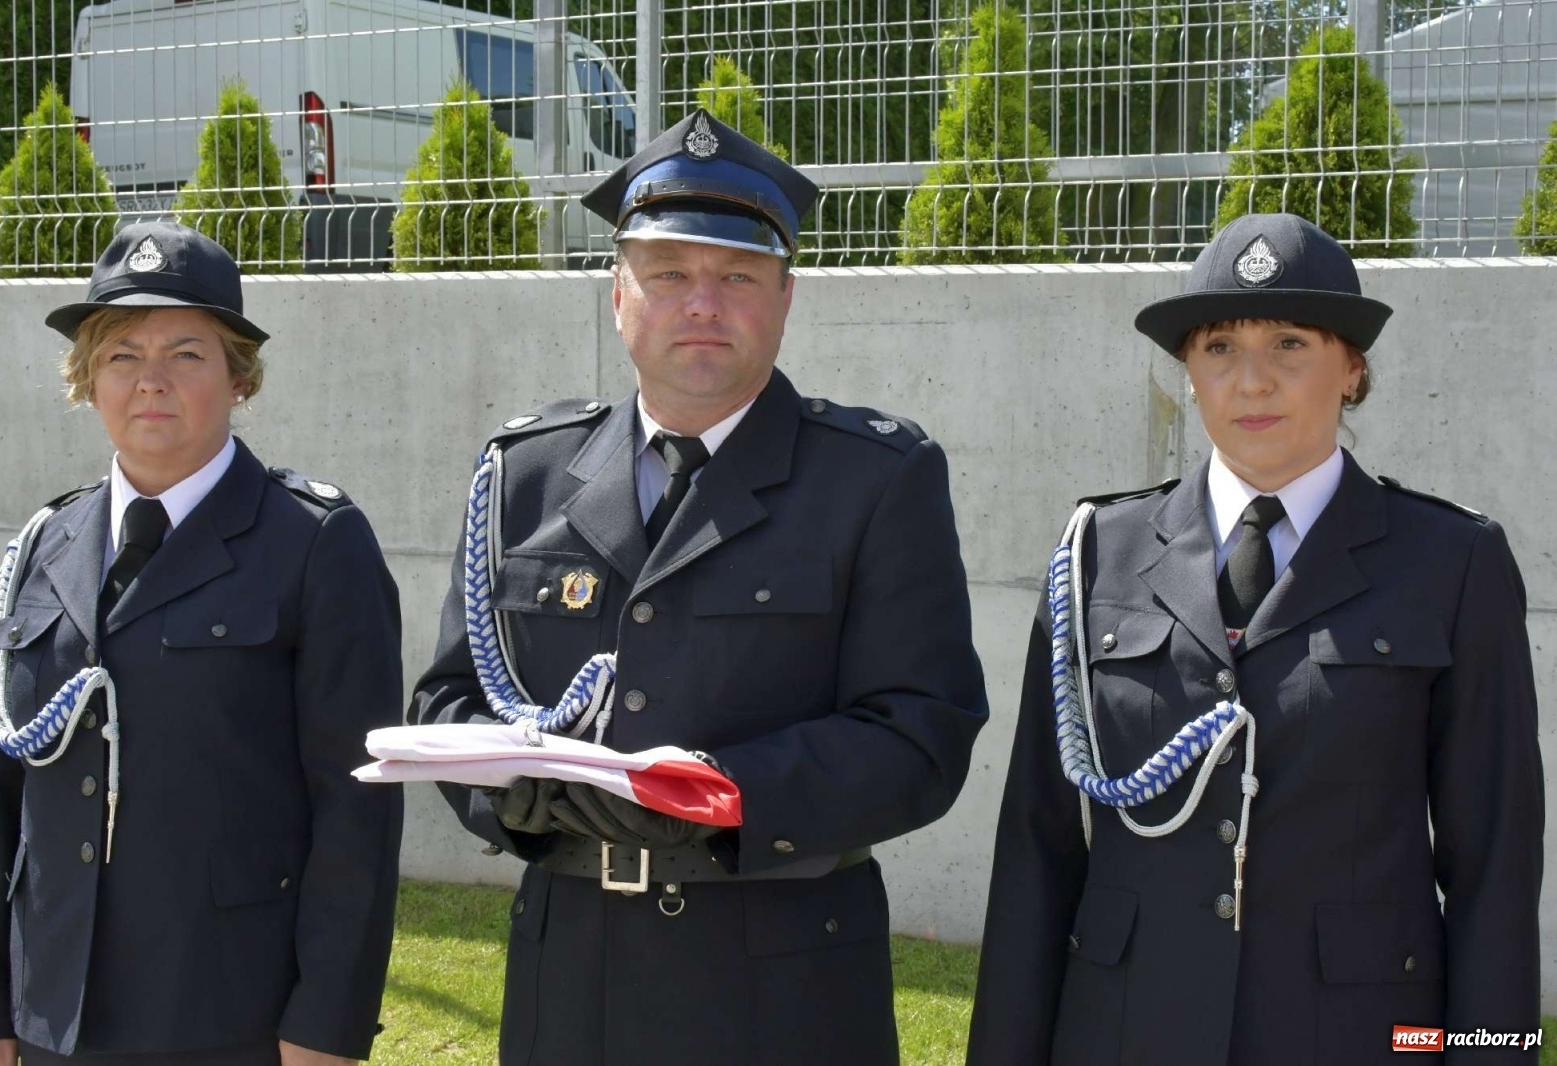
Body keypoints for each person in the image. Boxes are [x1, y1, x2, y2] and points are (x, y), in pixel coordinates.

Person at [411, 108, 988, 1066]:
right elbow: (448, 697)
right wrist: (518, 793)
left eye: (737, 277)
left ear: (786, 296)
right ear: (618, 296)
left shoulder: (875, 480)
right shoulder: (526, 474)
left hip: (782, 986)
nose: (702, 303)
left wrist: (718, 795)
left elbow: (922, 732)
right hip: (572, 982)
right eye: (669, 274)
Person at [967, 213, 1543, 1066]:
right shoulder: (1097, 554)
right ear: (1188, 376)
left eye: (1289, 345)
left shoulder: (1451, 562)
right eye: (1219, 348)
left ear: (1351, 369)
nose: (1251, 382)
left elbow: (1494, 865)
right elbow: (1036, 855)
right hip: (1127, 1033)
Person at [0, 222, 405, 1066]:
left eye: (187, 355)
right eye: (121, 354)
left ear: (239, 377)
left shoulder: (313, 542)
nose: (150, 381)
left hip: (226, 1013)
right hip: (54, 1013)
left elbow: (358, 809)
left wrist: (325, 1027)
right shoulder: (46, 543)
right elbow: (7, 795)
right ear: (87, 380)